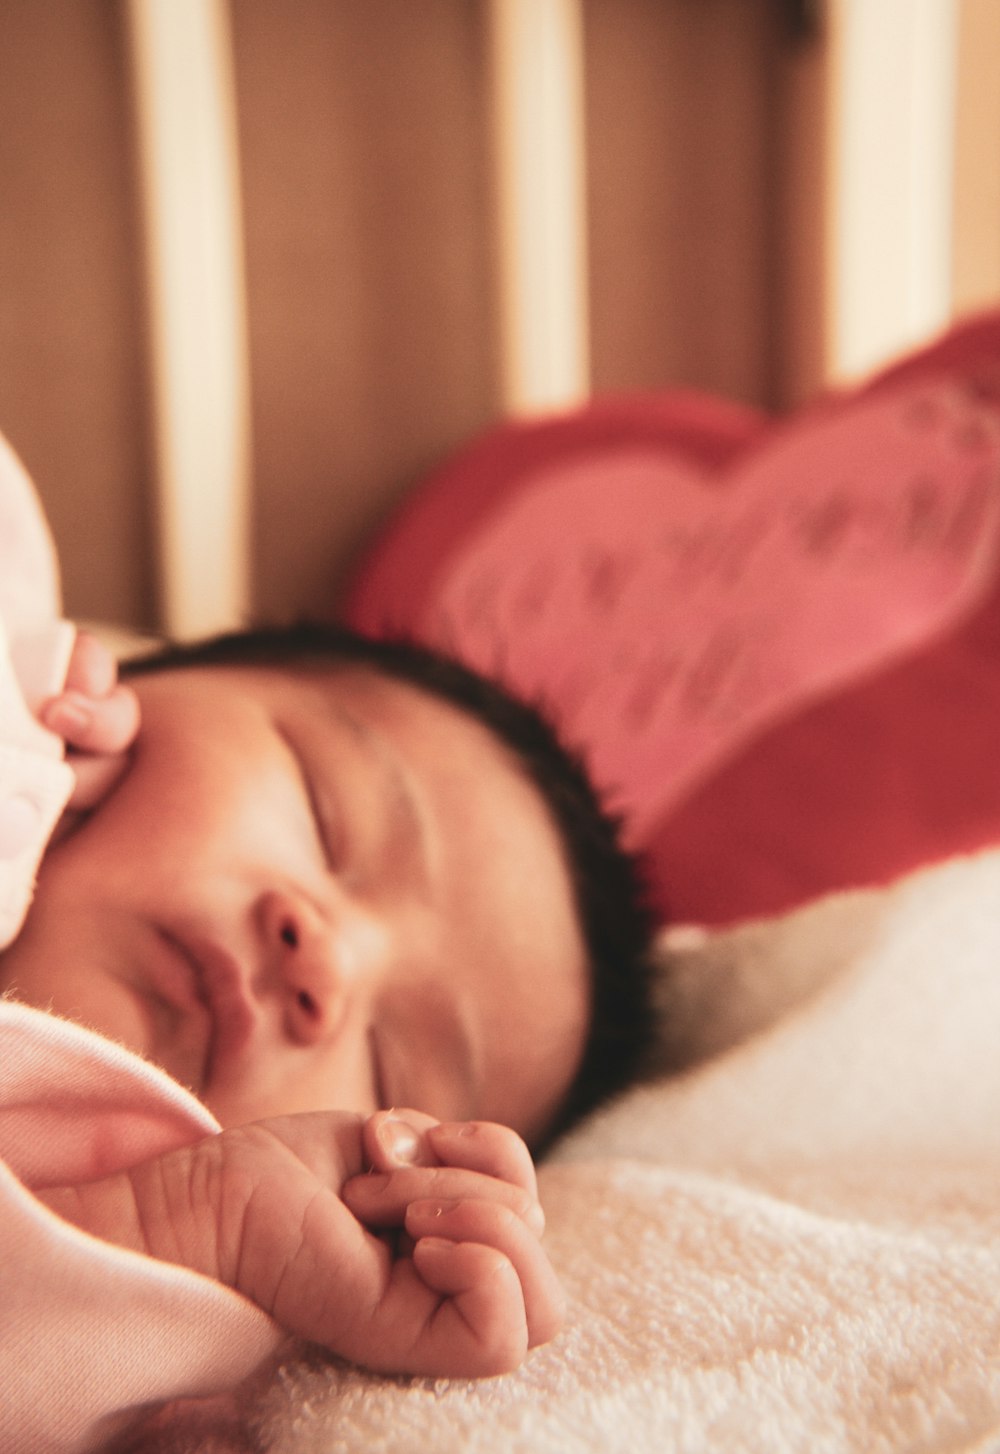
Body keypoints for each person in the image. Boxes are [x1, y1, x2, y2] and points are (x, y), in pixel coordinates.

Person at [0, 433, 658, 1450]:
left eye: (393, 1064)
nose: (328, 967)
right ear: (146, 678)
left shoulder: (116, 1331)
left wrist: (168, 1223)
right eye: (325, 812)